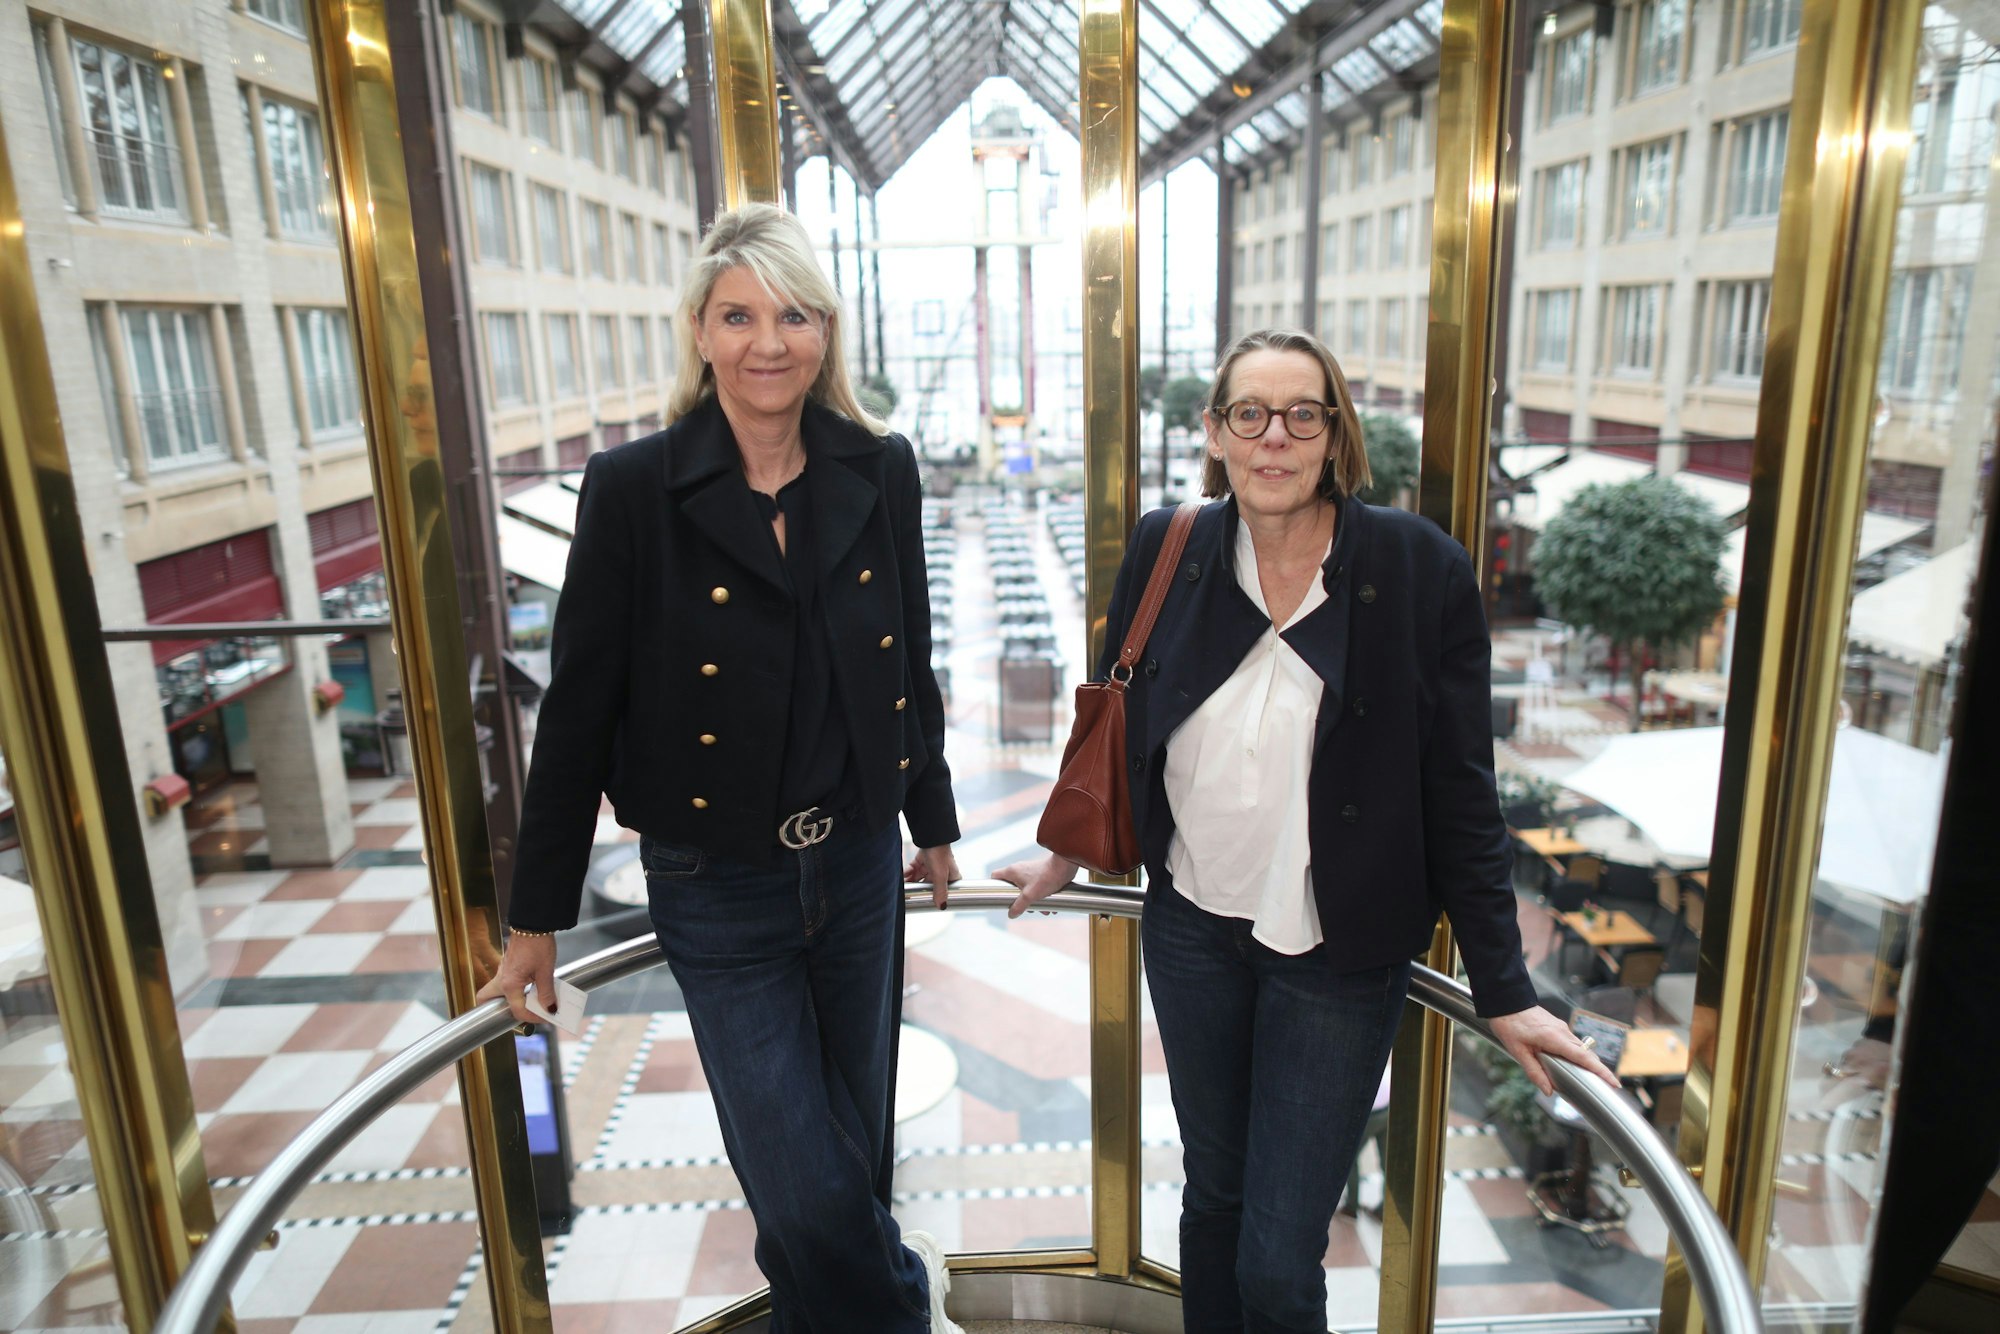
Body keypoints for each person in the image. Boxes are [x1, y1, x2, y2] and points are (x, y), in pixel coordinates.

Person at [998, 328, 1616, 1333]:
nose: (1271, 437)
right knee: (1212, 1198)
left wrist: (1505, 989)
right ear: (1214, 432)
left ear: (1333, 434)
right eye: (1248, 413)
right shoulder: (1169, 547)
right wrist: (1064, 847)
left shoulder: (1416, 568)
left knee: (1280, 1257)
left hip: (1334, 958)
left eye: (1300, 413)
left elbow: (1461, 790)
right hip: (1191, 927)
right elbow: (1118, 716)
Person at [477, 203, 964, 1334]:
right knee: (799, 1170)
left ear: (825, 333)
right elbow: (579, 708)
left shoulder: (876, 469)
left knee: (849, 1154)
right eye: (739, 314)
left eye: (793, 314)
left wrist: (929, 817)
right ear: (699, 329)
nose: (768, 341)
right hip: (713, 878)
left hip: (851, 866)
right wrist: (536, 913)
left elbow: (909, 659)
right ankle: (906, 1306)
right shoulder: (634, 488)